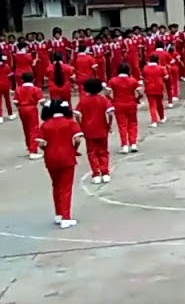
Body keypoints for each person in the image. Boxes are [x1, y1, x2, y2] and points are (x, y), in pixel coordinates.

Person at [37, 99, 82, 228]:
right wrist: (74, 148)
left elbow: (40, 143)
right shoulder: (70, 123)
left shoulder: (45, 125)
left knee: (56, 186)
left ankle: (58, 214)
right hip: (67, 157)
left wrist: (47, 150)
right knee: (66, 188)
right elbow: (78, 139)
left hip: (50, 158)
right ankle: (66, 217)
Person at [75, 78, 114, 184]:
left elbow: (77, 114)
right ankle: (105, 173)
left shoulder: (83, 100)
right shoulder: (103, 100)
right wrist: (109, 125)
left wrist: (81, 124)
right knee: (103, 151)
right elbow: (110, 113)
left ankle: (96, 174)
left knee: (91, 153)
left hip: (88, 130)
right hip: (102, 129)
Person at [106, 64, 141, 154]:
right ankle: (133, 143)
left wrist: (112, 100)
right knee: (133, 124)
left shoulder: (113, 80)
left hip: (118, 104)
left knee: (122, 126)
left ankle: (124, 145)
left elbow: (107, 93)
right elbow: (140, 93)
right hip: (131, 103)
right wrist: (136, 99)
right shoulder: (133, 80)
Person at [16, 72, 43, 159]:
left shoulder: (18, 89)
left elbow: (15, 102)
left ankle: (29, 147)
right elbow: (41, 101)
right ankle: (33, 150)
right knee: (34, 129)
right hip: (31, 108)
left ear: (22, 80)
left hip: (21, 108)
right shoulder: (36, 89)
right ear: (33, 79)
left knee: (26, 128)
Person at [142, 55, 168, 127]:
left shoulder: (145, 68)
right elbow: (166, 77)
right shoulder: (161, 68)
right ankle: (162, 117)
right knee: (160, 104)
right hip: (159, 88)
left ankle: (154, 121)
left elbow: (143, 77)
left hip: (149, 89)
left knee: (152, 106)